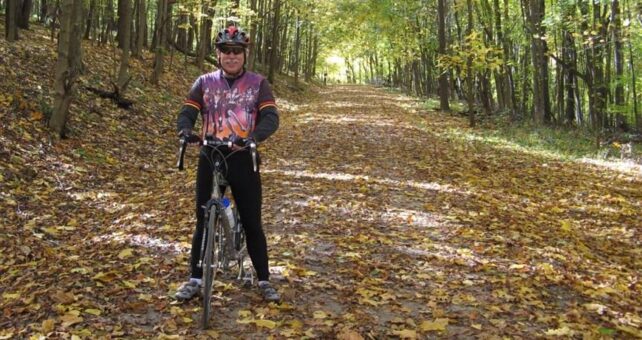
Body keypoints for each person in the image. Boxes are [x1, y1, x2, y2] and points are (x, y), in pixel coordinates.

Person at [174, 25, 280, 303]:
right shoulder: (204, 82)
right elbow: (187, 112)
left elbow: (270, 117)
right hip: (211, 155)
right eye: (225, 51)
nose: (231, 56)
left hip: (244, 158)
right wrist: (185, 130)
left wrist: (254, 138)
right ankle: (195, 279)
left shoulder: (259, 83)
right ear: (218, 54)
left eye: (237, 51)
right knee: (203, 219)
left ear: (244, 55)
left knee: (252, 222)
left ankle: (264, 279)